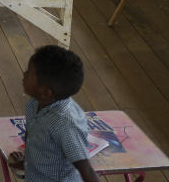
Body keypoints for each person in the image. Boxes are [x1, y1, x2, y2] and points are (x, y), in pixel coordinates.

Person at [7, 46, 100, 182]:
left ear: (46, 92)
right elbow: (31, 132)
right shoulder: (35, 102)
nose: (24, 74)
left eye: (29, 73)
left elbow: (86, 170)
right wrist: (28, 160)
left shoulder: (66, 123)